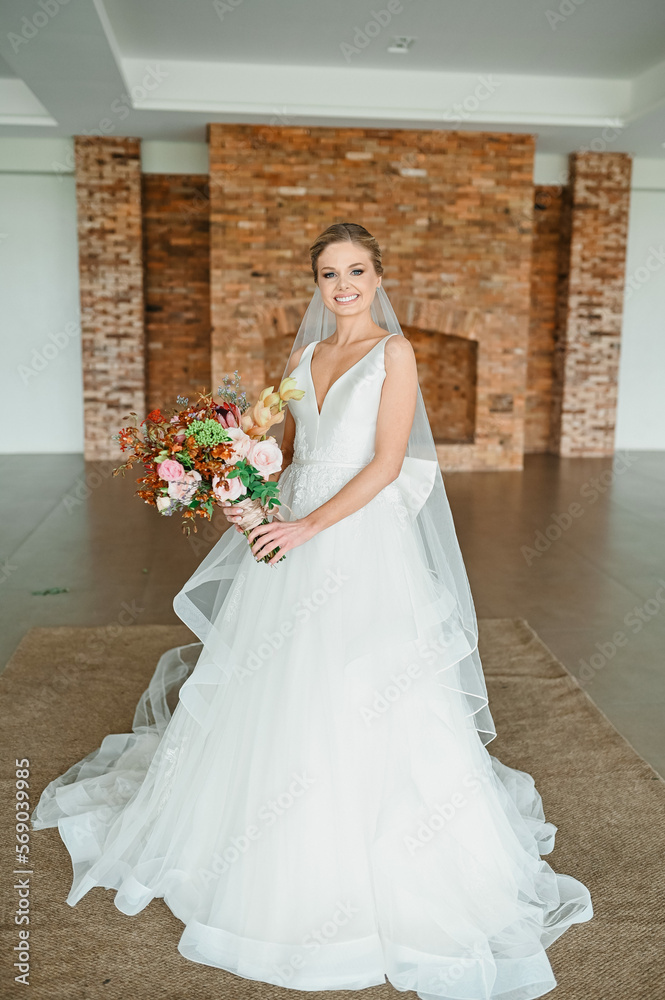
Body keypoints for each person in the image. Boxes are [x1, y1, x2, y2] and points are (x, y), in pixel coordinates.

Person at [31, 222, 592, 1000]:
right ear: (317, 284)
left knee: (363, 684)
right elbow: (290, 455)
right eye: (330, 273)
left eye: (356, 270)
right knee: (278, 678)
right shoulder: (302, 356)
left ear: (377, 277)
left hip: (356, 539)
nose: (343, 285)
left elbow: (387, 463)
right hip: (292, 528)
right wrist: (245, 498)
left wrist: (307, 527)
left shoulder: (395, 353)